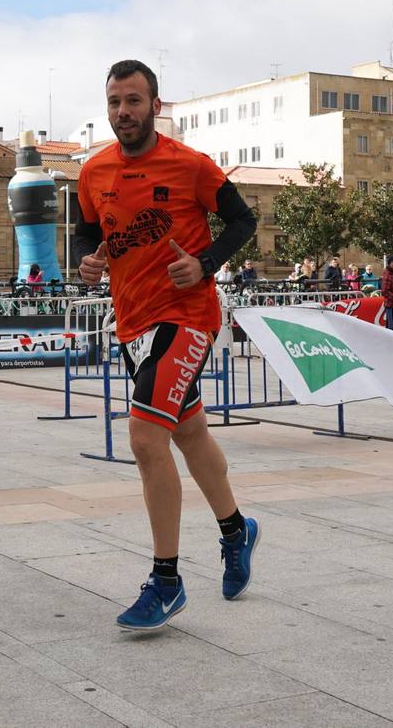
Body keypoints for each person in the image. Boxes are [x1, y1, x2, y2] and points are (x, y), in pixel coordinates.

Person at [75, 59, 260, 631]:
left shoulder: (189, 165)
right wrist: (87, 260)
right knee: (188, 430)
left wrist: (204, 263)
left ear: (155, 105)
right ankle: (237, 530)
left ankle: (167, 580)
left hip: (188, 317)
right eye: (114, 102)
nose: (123, 112)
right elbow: (88, 229)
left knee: (145, 435)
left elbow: (243, 221)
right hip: (132, 323)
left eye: (133, 101)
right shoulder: (93, 170)